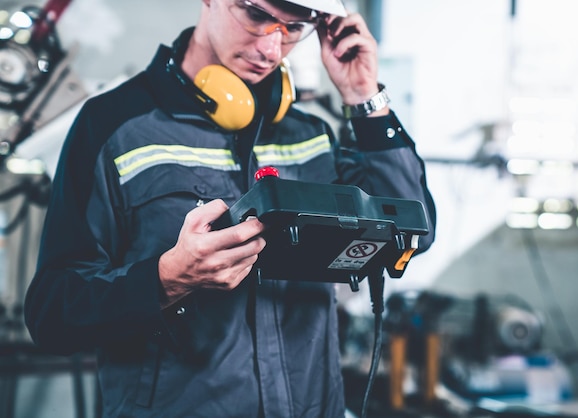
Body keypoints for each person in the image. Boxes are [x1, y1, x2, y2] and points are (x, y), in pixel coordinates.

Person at [24, 0, 436, 416]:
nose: (272, 50)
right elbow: (53, 314)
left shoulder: (312, 136)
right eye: (257, 15)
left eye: (294, 28)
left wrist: (365, 98)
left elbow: (415, 229)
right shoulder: (115, 127)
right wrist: (165, 280)